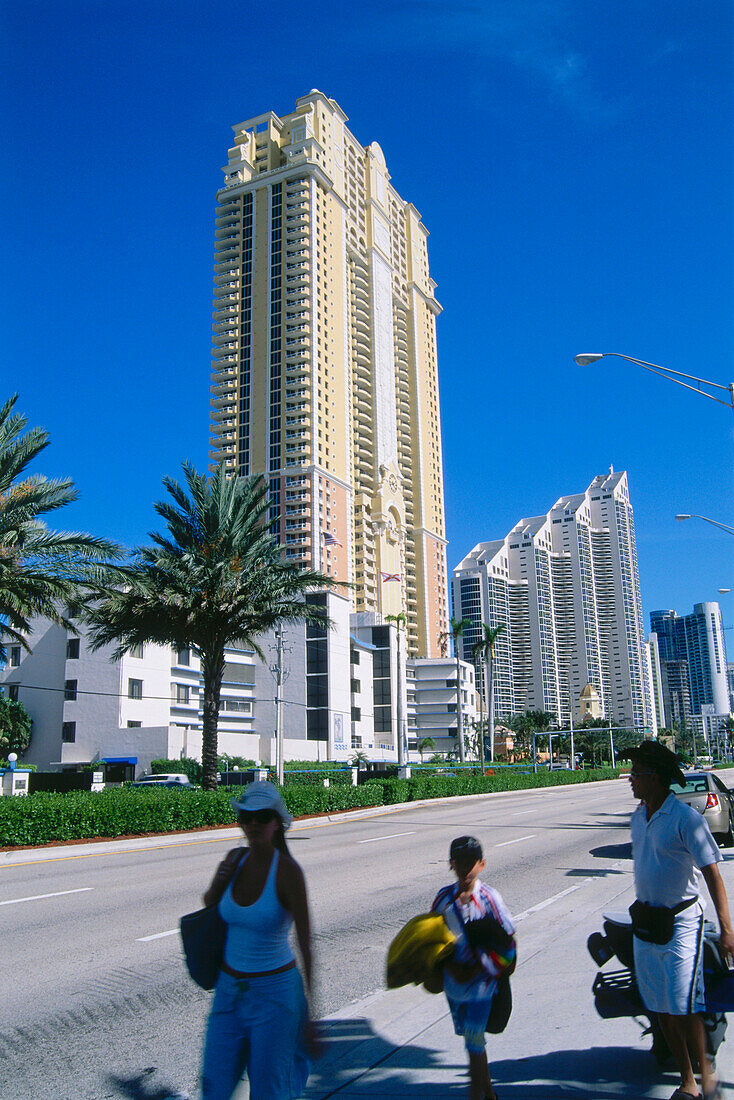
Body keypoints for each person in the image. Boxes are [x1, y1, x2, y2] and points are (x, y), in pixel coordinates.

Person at [628, 741, 734, 1100]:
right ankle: (687, 1079)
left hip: (683, 924)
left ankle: (707, 1078)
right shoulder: (637, 819)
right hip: (647, 924)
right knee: (660, 1007)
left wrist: (727, 930)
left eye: (636, 773)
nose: (630, 779)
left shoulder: (686, 819)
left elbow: (712, 875)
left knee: (685, 1006)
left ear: (654, 777)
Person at [200, 780, 315, 1100]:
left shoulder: (288, 872)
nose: (253, 824)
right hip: (228, 991)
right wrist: (221, 877)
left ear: (277, 823)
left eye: (262, 817)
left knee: (270, 1092)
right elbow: (210, 905)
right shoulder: (234, 859)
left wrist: (310, 1014)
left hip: (275, 997)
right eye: (247, 817)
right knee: (215, 1086)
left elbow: (306, 943)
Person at [431, 836, 515, 1100]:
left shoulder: (490, 899)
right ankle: (488, 1093)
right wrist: (445, 969)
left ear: (482, 864)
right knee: (472, 1043)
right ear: (451, 865)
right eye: (460, 862)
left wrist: (482, 969)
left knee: (474, 1039)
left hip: (483, 987)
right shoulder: (443, 900)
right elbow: (432, 939)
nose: (466, 869)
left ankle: (476, 1096)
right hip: (454, 988)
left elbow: (509, 944)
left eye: (472, 862)